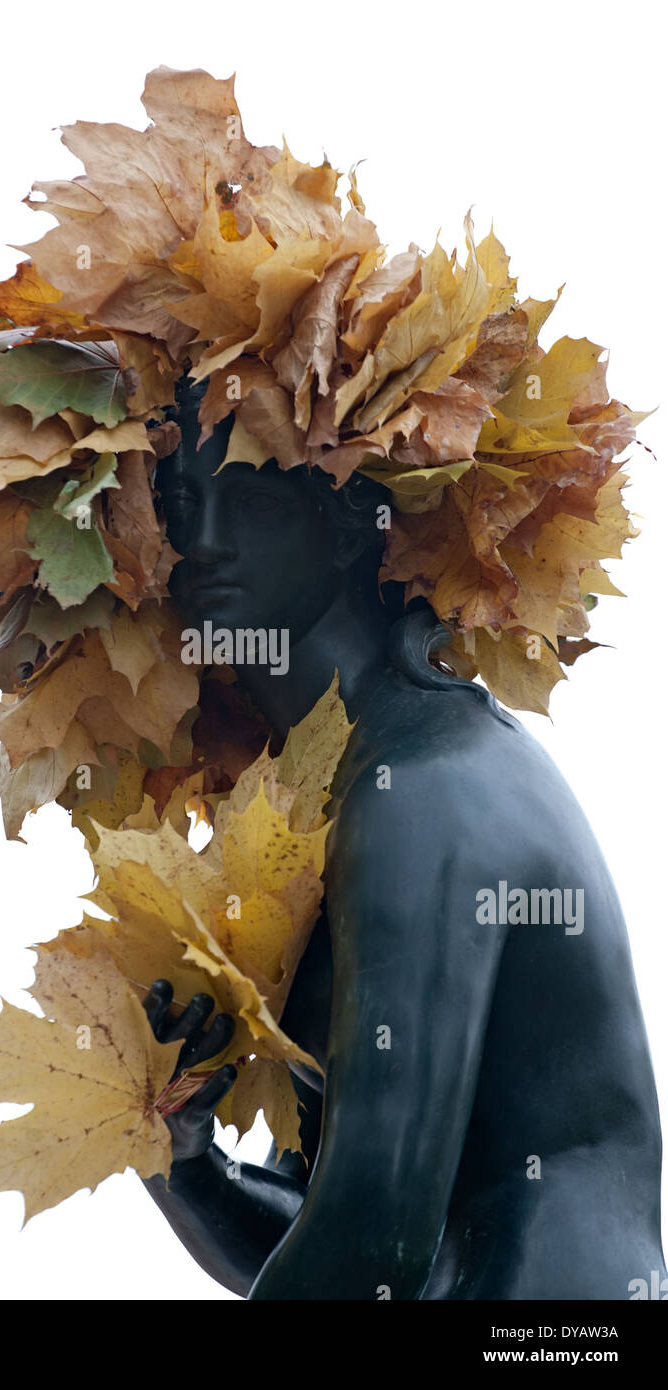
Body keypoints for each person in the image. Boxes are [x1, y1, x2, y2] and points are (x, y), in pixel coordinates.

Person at [139, 377, 667, 1301]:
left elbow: (370, 1240)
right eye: (184, 503)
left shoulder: (422, 788)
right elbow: (320, 1229)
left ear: (353, 526)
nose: (203, 542)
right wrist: (185, 1164)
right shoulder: (320, 812)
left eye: (252, 498)